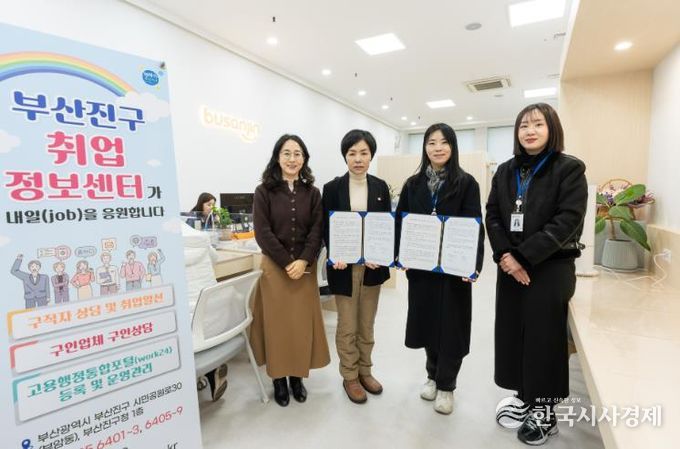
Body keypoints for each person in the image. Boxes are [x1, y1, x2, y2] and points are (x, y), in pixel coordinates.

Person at [486, 103, 587, 445]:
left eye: (538, 124)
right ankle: (525, 395)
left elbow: (567, 219)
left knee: (543, 339)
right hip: (509, 267)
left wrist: (522, 258)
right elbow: (493, 215)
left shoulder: (569, 169)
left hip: (550, 268)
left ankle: (546, 412)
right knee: (513, 333)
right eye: (523, 125)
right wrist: (505, 255)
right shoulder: (505, 171)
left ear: (551, 128)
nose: (529, 131)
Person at [395, 123, 484, 415]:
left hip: (454, 270)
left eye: (444, 142)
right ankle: (432, 376)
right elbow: (401, 222)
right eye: (431, 142)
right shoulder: (412, 184)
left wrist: (473, 265)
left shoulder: (467, 183)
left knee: (452, 327)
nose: (438, 148)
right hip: (422, 269)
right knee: (427, 323)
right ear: (425, 147)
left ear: (453, 147)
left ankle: (447, 385)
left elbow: (475, 226)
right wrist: (401, 255)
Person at [249, 134, 330, 407]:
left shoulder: (313, 193)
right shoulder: (264, 191)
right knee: (277, 328)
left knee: (300, 327)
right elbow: (263, 232)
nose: (292, 159)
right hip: (275, 269)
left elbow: (317, 230)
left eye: (297, 154)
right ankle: (278, 380)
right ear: (277, 157)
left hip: (303, 270)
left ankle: (297, 378)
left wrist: (304, 260)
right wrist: (287, 262)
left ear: (304, 159)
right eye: (286, 153)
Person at [321, 129, 391, 404]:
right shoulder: (332, 188)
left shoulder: (380, 187)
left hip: (372, 268)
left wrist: (381, 252)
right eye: (352, 153)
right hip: (344, 268)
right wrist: (335, 252)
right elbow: (326, 227)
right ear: (345, 156)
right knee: (347, 325)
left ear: (371, 155)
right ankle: (350, 376)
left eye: (364, 153)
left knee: (367, 324)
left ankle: (365, 371)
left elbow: (385, 226)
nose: (358, 159)